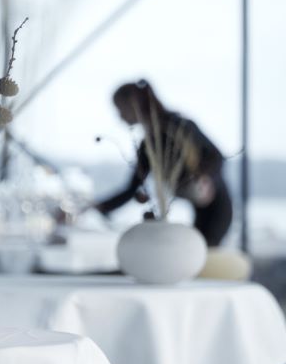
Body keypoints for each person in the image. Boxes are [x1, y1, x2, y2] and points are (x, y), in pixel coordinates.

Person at [94, 79, 231, 246]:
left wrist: (206, 178)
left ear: (134, 105)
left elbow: (216, 157)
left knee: (201, 250)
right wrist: (99, 207)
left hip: (216, 208)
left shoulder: (180, 126)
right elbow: (133, 187)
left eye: (121, 109)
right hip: (197, 206)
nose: (120, 116)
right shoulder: (149, 144)